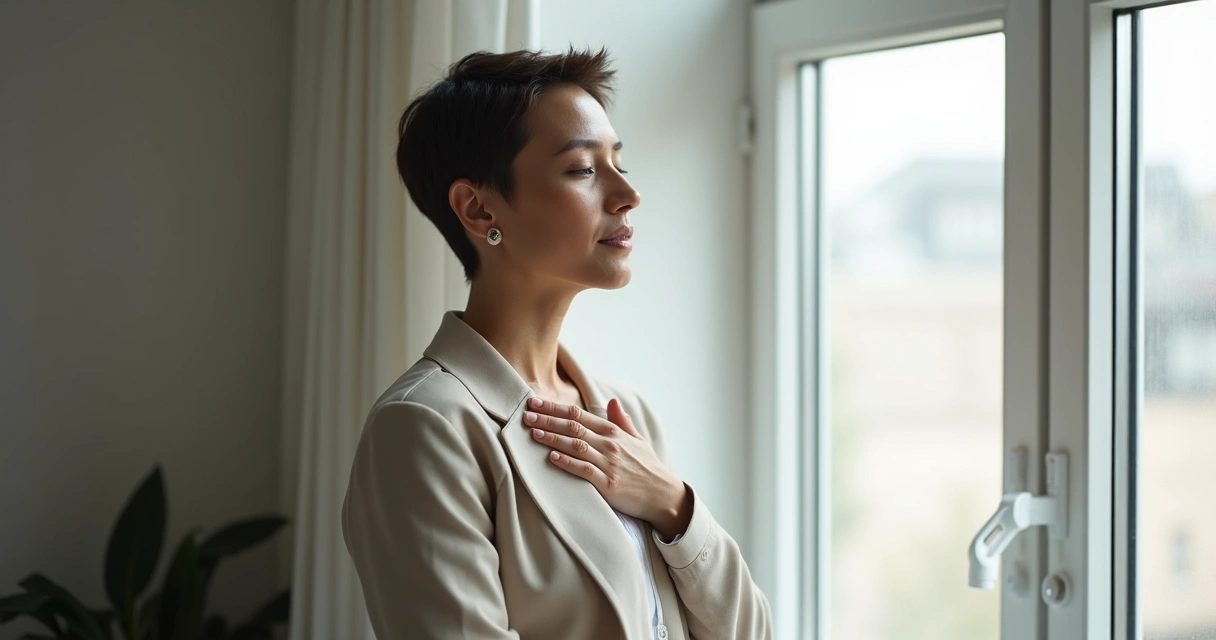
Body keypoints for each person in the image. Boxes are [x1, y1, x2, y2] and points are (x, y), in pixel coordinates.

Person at [340, 45, 772, 640]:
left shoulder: (625, 414)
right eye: (583, 170)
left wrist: (675, 506)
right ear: (477, 207)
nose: (627, 194)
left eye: (620, 162)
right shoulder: (426, 427)